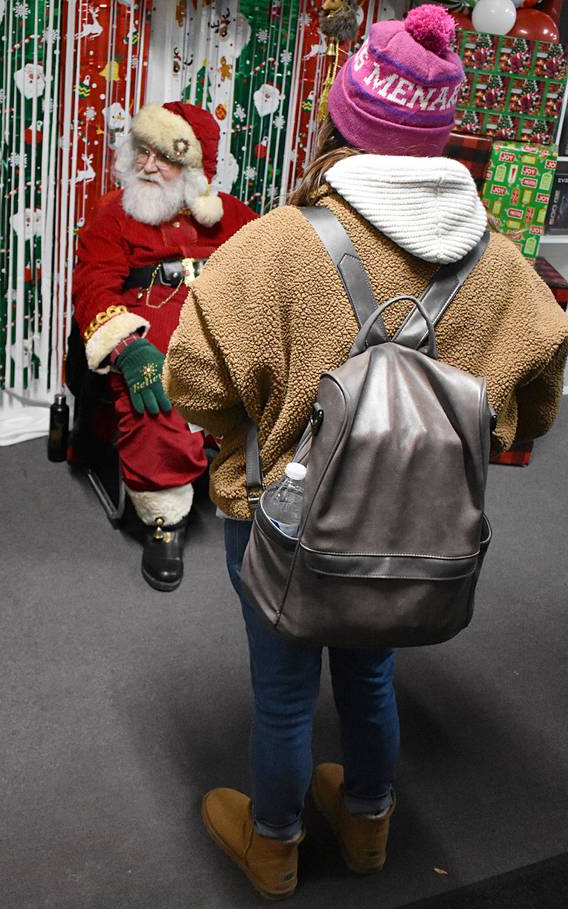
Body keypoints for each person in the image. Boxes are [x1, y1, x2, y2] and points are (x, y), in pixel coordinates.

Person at [164, 5, 568, 900]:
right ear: (438, 136)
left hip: (280, 513)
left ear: (345, 118)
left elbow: (191, 380)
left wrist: (259, 426)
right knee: (372, 674)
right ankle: (369, 826)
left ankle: (275, 847)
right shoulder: (502, 264)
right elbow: (534, 404)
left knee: (283, 695)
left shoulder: (274, 245)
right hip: (418, 524)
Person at [71, 101, 257, 592]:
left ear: (195, 167)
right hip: (153, 342)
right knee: (156, 395)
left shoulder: (234, 216)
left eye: (165, 157)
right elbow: (92, 287)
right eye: (143, 151)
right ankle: (165, 519)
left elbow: (268, 274)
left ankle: (267, 497)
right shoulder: (113, 214)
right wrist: (127, 348)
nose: (148, 165)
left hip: (224, 333)